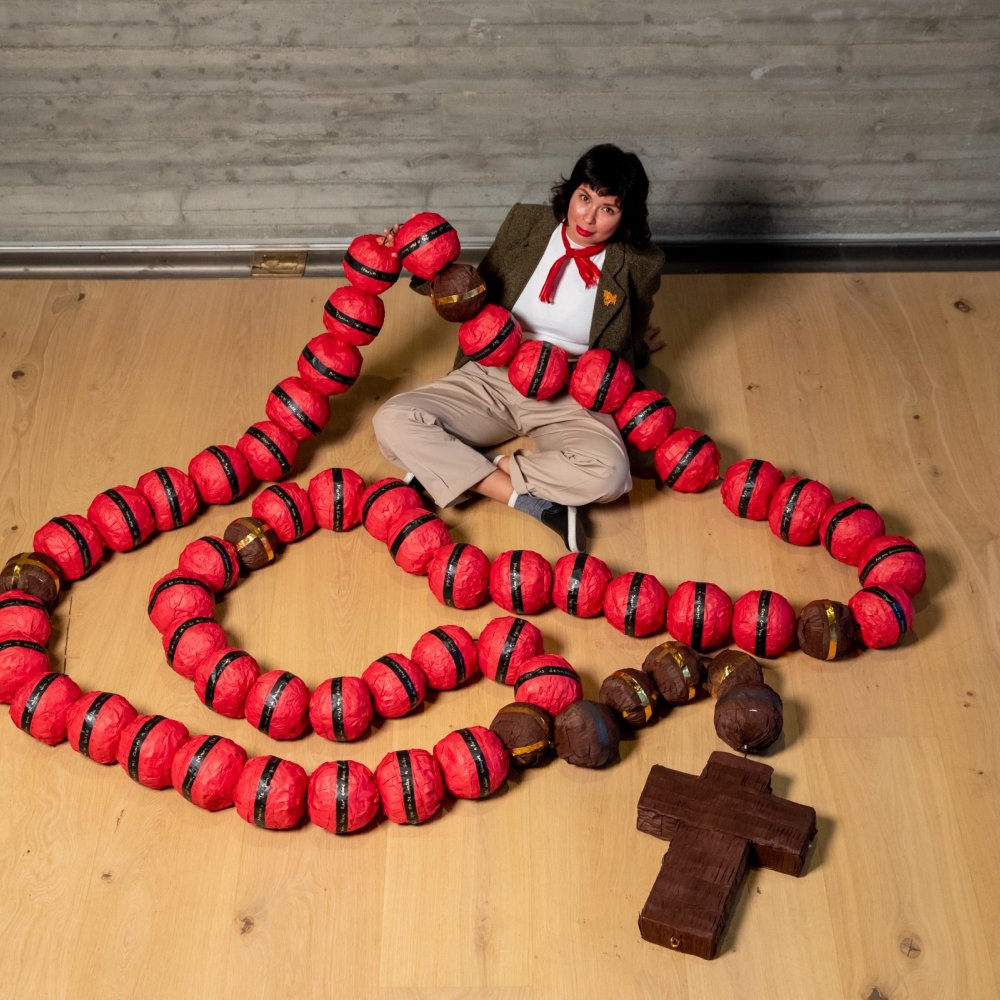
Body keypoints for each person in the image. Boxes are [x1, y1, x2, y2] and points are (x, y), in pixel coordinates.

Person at [373, 144, 665, 553]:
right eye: (584, 198)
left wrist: (638, 350)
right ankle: (529, 501)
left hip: (573, 389)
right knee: (392, 421)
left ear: (624, 216)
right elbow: (475, 286)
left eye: (607, 209)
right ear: (571, 194)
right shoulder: (527, 221)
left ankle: (465, 469)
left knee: (611, 475)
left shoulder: (639, 263)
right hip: (495, 372)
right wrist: (415, 260)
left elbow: (631, 324)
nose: (588, 217)